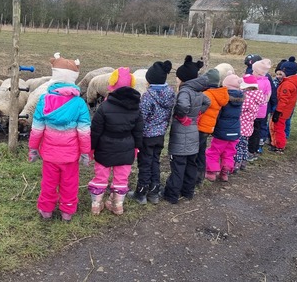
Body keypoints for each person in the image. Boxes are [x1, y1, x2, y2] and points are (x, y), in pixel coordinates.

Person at [28, 53, 91, 222]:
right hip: (71, 156)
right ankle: (67, 212)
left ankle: (46, 211)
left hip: (49, 154)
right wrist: (85, 152)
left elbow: (36, 128)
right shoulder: (79, 104)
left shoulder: (44, 100)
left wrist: (33, 148)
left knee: (48, 183)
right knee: (69, 184)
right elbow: (84, 132)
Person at [87, 67, 143, 215]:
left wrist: (91, 148)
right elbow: (138, 131)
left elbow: (95, 131)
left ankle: (96, 204)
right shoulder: (136, 108)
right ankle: (117, 205)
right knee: (121, 178)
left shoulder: (104, 107)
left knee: (101, 176)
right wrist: (136, 147)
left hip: (104, 149)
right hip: (126, 149)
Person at [162, 55, 210, 204]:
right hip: (193, 134)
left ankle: (172, 195)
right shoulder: (198, 91)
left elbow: (182, 106)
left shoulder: (184, 91)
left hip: (181, 135)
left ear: (183, 78)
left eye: (177, 77)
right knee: (191, 164)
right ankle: (188, 191)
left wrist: (182, 116)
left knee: (178, 166)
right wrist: (196, 114)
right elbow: (207, 102)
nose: (176, 80)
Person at [129, 61, 175, 205]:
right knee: (155, 161)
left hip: (147, 136)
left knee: (145, 164)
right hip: (160, 135)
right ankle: (154, 193)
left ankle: (141, 193)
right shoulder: (170, 93)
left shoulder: (148, 96)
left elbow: (141, 117)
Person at [205, 74, 244, 182]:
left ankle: (211, 172)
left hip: (222, 132)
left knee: (214, 151)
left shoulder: (224, 99)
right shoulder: (240, 98)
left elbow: (218, 115)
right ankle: (225, 172)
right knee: (229, 153)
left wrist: (213, 127)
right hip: (235, 132)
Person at [195, 68, 229, 185]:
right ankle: (200, 176)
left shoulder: (206, 95)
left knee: (196, 152)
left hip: (199, 127)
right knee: (201, 150)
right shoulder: (221, 95)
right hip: (209, 127)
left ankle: (195, 176)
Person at [269, 57, 297, 153]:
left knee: (278, 128)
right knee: (280, 127)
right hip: (287, 110)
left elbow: (283, 100)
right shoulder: (294, 82)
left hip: (282, 111)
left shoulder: (287, 85)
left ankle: (279, 146)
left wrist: (277, 112)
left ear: (286, 71)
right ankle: (276, 143)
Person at [234, 74, 264, 172]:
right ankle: (244, 162)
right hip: (248, 126)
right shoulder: (256, 97)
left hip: (242, 126)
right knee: (244, 145)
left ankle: (237, 164)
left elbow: (240, 109)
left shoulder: (247, 98)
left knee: (239, 146)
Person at [248, 58, 272, 161]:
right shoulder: (267, 81)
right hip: (262, 112)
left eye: (254, 71)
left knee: (253, 132)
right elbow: (268, 96)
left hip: (255, 111)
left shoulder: (257, 83)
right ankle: (255, 150)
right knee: (257, 131)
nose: (252, 73)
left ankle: (251, 151)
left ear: (258, 72)